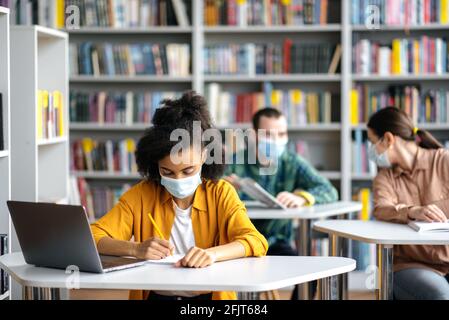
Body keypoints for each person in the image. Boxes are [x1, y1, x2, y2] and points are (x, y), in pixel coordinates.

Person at [90, 91, 268, 301]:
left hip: (209, 298)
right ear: (156, 165)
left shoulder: (221, 193)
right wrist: (136, 249)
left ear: (204, 155)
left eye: (188, 170)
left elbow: (255, 241)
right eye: (167, 172)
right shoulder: (141, 194)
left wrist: (212, 254)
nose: (178, 179)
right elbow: (93, 236)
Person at [224, 107, 338, 299]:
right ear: (254, 135)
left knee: (309, 275)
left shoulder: (292, 161)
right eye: (268, 134)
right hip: (239, 242)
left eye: (282, 134)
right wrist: (225, 188)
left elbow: (329, 190)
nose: (276, 140)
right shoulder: (236, 162)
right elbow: (207, 192)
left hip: (276, 242)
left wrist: (302, 197)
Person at [367, 106, 449, 300]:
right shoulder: (384, 177)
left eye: (372, 142)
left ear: (388, 139)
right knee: (440, 295)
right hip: (410, 265)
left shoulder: (443, 160)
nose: (372, 151)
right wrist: (412, 211)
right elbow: (381, 209)